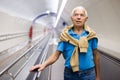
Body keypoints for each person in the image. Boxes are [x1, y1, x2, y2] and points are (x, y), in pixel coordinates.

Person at [30, 6, 100, 80]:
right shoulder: (65, 35)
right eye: (76, 15)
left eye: (81, 15)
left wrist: (98, 76)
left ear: (86, 19)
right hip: (70, 74)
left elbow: (96, 56)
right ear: (72, 18)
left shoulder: (91, 35)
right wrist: (43, 65)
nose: (78, 17)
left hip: (89, 74)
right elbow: (56, 55)